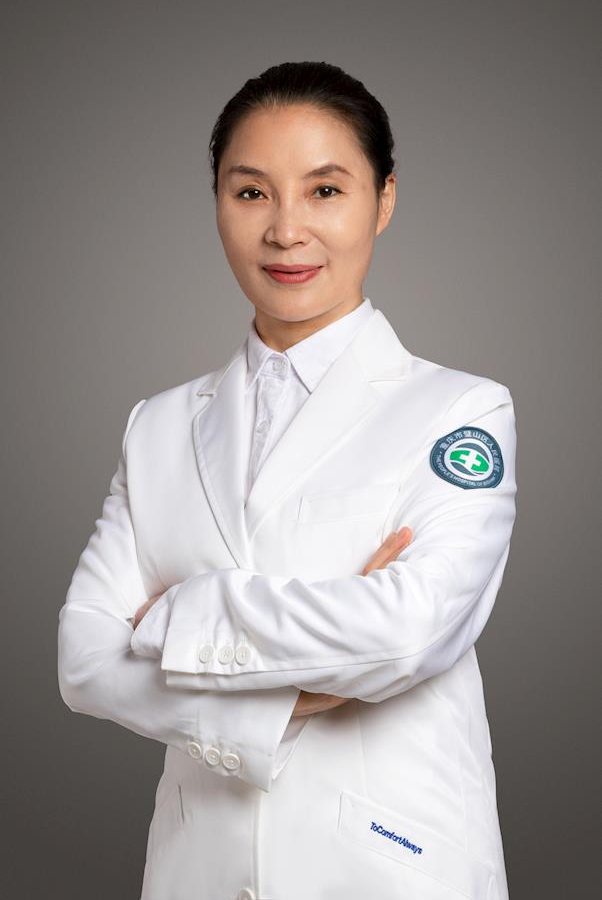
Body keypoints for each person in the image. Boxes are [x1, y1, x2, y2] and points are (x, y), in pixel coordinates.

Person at [58, 61, 517, 900]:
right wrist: (285, 699)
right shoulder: (157, 425)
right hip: (197, 873)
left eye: (325, 190)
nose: (286, 230)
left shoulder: (460, 411)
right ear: (218, 205)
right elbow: (83, 659)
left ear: (383, 200)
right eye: (251, 193)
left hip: (389, 867)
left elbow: (408, 630)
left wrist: (181, 613)